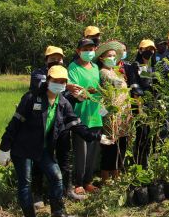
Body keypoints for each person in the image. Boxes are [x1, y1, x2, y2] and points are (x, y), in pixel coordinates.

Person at [0, 65, 100, 217]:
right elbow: (15, 123)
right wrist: (4, 148)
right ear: (48, 81)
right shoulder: (31, 98)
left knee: (56, 176)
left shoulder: (63, 102)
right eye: (56, 81)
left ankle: (58, 215)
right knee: (25, 184)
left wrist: (97, 137)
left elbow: (76, 125)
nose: (59, 84)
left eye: (62, 81)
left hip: (42, 149)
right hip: (22, 149)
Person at [29, 46, 86, 203]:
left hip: (61, 125)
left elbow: (66, 98)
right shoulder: (38, 74)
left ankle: (66, 190)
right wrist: (65, 85)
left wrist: (77, 96)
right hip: (42, 125)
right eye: (52, 58)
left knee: (64, 158)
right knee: (39, 158)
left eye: (59, 58)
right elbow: (40, 87)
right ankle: (38, 194)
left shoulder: (64, 74)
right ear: (46, 60)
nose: (56, 61)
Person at [68, 38, 102, 196]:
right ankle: (78, 182)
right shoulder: (73, 67)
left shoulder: (95, 67)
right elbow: (74, 90)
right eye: (85, 48)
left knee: (93, 151)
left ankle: (88, 181)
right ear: (78, 51)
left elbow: (100, 88)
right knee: (81, 151)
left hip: (96, 113)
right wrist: (87, 93)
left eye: (92, 48)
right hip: (80, 114)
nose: (89, 51)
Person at [95, 41, 132, 183]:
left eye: (114, 56)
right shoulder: (103, 72)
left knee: (120, 145)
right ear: (101, 58)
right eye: (109, 56)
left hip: (122, 115)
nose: (112, 58)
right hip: (110, 115)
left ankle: (116, 173)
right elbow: (117, 85)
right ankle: (105, 176)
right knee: (109, 146)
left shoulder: (116, 71)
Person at [129, 39, 158, 168]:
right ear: (140, 50)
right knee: (142, 135)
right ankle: (138, 164)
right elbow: (135, 88)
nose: (149, 52)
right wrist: (139, 108)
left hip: (151, 106)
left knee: (149, 136)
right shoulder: (135, 65)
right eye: (147, 49)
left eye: (152, 49)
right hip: (140, 106)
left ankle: (146, 163)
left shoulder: (151, 67)